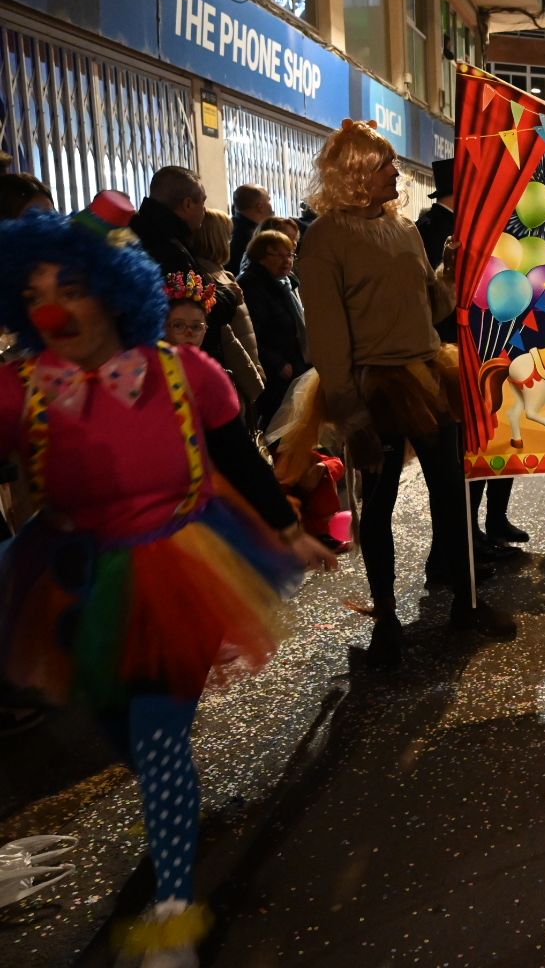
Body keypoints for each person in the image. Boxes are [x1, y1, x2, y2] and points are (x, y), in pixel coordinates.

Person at [0, 199, 335, 964]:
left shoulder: (189, 373)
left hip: (173, 567)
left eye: (71, 289)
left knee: (157, 739)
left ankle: (175, 909)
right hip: (67, 575)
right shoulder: (21, 389)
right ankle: (170, 801)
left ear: (115, 291)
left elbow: (242, 460)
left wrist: (289, 531)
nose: (53, 310)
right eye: (35, 296)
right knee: (123, 729)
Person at [299, 119, 515, 666]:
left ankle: (465, 600)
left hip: (425, 371)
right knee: (379, 507)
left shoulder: (403, 228)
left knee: (453, 492)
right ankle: (387, 619)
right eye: (386, 165)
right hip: (375, 385)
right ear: (358, 175)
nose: (398, 172)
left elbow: (434, 307)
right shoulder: (324, 238)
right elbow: (326, 335)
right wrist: (351, 412)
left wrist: (450, 269)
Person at [130, 167, 239, 342]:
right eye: (202, 203)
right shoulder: (168, 249)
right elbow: (199, 305)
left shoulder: (136, 232)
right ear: (188, 204)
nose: (204, 210)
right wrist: (229, 296)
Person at [194, 209, 265, 420]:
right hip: (235, 374)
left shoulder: (223, 274)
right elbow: (229, 335)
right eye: (227, 235)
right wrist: (252, 375)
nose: (230, 241)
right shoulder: (207, 278)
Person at [237, 230, 308, 429]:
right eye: (278, 255)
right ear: (260, 257)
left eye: (290, 254)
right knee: (278, 427)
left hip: (294, 364)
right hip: (276, 372)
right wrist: (277, 364)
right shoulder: (251, 285)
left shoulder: (286, 283)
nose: (286, 260)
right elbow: (252, 333)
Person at [228, 184, 273, 274]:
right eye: (268, 200)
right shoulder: (253, 238)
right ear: (259, 206)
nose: (271, 205)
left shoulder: (228, 229)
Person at [163, 270, 214, 349]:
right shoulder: (148, 360)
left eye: (196, 326)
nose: (189, 333)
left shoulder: (208, 361)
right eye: (178, 325)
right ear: (165, 329)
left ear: (205, 329)